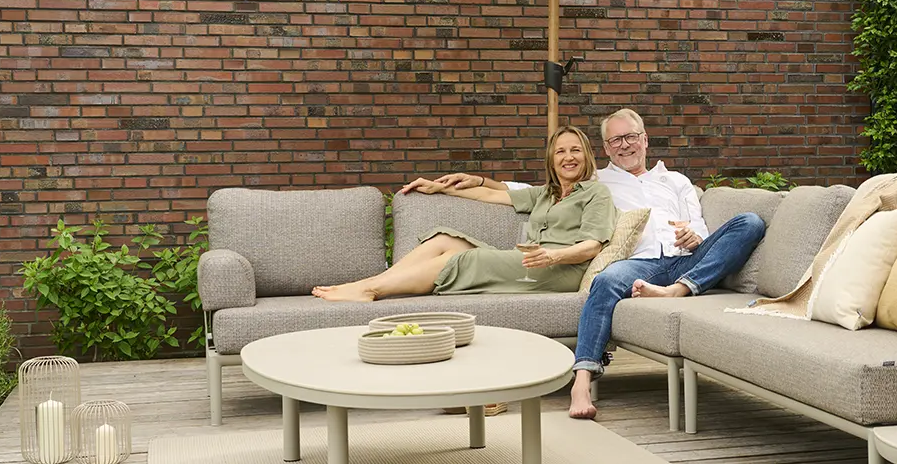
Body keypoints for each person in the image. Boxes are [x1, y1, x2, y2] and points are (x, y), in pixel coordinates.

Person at [418, 109, 767, 420]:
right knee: (606, 281)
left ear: (645, 140)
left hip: (688, 260)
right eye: (615, 140)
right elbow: (537, 189)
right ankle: (581, 380)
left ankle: (678, 291)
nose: (624, 145)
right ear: (605, 148)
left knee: (750, 221)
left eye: (631, 137)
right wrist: (474, 182)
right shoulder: (597, 181)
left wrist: (693, 235)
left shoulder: (676, 182)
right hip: (640, 266)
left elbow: (701, 227)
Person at [311, 126, 615, 301]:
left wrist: (553, 256)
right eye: (561, 151)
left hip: (559, 270)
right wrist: (439, 187)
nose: (568, 157)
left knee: (461, 259)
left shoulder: (595, 193)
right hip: (527, 263)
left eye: (575, 150)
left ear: (586, 156)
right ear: (551, 159)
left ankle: (371, 290)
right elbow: (489, 194)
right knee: (445, 240)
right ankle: (372, 281)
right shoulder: (545, 193)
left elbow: (593, 246)